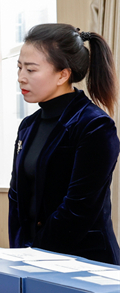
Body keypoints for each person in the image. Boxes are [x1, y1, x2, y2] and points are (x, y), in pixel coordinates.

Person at [9, 24, 120, 264]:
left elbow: (79, 208)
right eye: (19, 67)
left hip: (86, 263)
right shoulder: (28, 126)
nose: (21, 77)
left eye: (31, 69)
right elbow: (16, 198)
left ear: (63, 75)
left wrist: (36, 254)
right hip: (32, 260)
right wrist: (20, 254)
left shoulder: (94, 125)